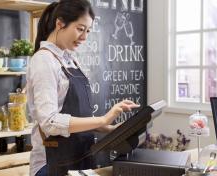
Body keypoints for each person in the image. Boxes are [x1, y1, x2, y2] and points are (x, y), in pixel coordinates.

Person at [27, 0, 140, 176]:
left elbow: (78, 116)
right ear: (60, 24)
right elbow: (49, 122)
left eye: (88, 31)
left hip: (80, 158)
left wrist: (110, 129)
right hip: (52, 164)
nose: (85, 37)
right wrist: (103, 120)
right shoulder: (44, 60)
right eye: (80, 29)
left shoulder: (71, 59)